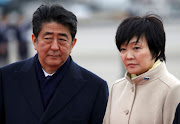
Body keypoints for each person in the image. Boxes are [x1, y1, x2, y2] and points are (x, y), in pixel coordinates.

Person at [0, 4, 109, 124]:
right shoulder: (6, 78)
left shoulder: (95, 88)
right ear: (34, 41)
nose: (55, 47)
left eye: (62, 39)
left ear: (73, 44)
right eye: (48, 38)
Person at [103, 14, 180, 124]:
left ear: (157, 50)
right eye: (123, 49)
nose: (128, 56)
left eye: (136, 48)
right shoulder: (117, 87)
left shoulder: (173, 89)